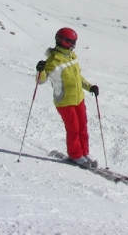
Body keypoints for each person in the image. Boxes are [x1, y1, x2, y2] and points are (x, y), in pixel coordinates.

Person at [35, 27, 99, 168]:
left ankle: (84, 152)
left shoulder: (71, 56)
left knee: (82, 126)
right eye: (72, 42)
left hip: (78, 98)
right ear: (63, 41)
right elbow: (41, 80)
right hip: (64, 101)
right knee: (73, 129)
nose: (74, 45)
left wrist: (89, 87)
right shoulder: (53, 60)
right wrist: (40, 70)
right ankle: (76, 155)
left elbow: (78, 77)